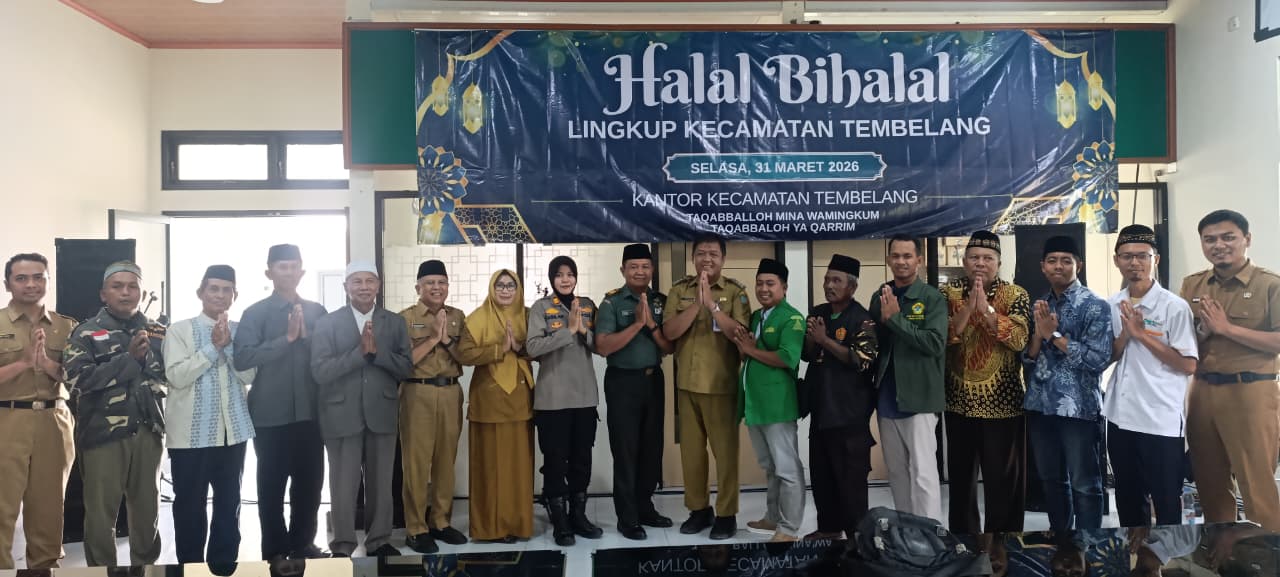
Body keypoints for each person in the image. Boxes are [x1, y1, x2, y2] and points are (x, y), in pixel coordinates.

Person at [1180, 209, 1280, 531]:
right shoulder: (1193, 285)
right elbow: (1182, 340)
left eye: (1228, 237)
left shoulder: (1269, 284)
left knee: (1257, 485)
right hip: (1202, 391)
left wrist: (1227, 329)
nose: (1218, 245)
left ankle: (1266, 552)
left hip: (1250, 392)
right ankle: (1222, 551)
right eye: (1209, 239)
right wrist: (1203, 331)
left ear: (1246, 239)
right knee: (1209, 482)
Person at [63, 261, 167, 567]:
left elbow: (170, 376)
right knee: (101, 515)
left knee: (147, 512)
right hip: (103, 435)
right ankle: (100, 571)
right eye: (117, 286)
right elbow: (77, 380)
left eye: (132, 287)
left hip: (148, 431)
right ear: (103, 294)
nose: (125, 292)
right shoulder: (86, 332)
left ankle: (145, 569)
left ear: (141, 293)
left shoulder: (159, 332)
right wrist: (130, 360)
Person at [233, 244, 330, 561]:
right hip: (270, 415)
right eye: (281, 267)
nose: (288, 272)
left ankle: (303, 544)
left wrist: (306, 337)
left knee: (310, 485)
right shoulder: (255, 313)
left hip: (311, 414)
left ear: (302, 271)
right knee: (271, 487)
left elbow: (328, 353)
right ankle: (275, 549)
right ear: (269, 272)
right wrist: (285, 339)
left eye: (293, 266)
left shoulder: (317, 311)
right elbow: (243, 357)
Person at [310, 261, 412, 558]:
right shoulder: (328, 323)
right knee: (343, 484)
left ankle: (379, 540)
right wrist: (359, 354)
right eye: (357, 281)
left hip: (382, 410)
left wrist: (377, 353)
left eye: (370, 281)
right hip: (341, 413)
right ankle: (343, 544)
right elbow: (320, 371)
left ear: (378, 286)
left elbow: (406, 367)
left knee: (382, 482)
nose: (364, 287)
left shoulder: (394, 322)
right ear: (346, 287)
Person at [1103, 224, 1197, 527]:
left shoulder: (1174, 307)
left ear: (1155, 259)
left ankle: (1169, 554)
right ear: (1116, 260)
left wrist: (1142, 335)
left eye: (1142, 256)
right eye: (1127, 256)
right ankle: (1135, 552)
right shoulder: (1111, 305)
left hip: (1160, 418)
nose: (1134, 263)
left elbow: (1188, 365)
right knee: (1128, 497)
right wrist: (1125, 336)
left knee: (1166, 499)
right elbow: (1108, 357)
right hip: (1120, 415)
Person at [162, 265, 257, 564]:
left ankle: (224, 566)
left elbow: (250, 375)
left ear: (234, 295)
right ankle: (190, 567)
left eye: (226, 290)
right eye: (213, 288)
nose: (219, 295)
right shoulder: (179, 330)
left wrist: (228, 348)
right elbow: (176, 376)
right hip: (190, 436)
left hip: (233, 432)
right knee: (190, 507)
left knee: (229, 505)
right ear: (200, 293)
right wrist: (213, 348)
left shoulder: (241, 331)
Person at [941, 230, 1030, 541]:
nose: (980, 263)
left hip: (1002, 404)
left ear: (999, 263)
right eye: (974, 257)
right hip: (958, 403)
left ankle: (1004, 545)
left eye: (988, 258)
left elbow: (1019, 339)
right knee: (961, 482)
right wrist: (968, 308)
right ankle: (964, 544)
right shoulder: (948, 293)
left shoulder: (1016, 294)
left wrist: (988, 311)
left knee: (1003, 482)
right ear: (964, 261)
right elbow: (942, 338)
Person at [663, 233, 751, 540]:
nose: (707, 259)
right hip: (687, 385)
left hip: (721, 385)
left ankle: (726, 514)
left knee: (726, 456)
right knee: (692, 455)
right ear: (693, 258)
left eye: (713, 254)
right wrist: (696, 305)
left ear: (723, 259)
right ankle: (698, 510)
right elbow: (669, 332)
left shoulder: (735, 292)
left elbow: (741, 335)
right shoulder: (679, 290)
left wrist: (712, 306)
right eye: (701, 253)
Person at [1023, 236, 1113, 531]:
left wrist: (1054, 336)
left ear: (1078, 265)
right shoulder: (1041, 304)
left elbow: (1098, 360)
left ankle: (1089, 543)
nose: (1058, 266)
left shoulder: (1095, 306)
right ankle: (1061, 540)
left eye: (1066, 260)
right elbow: (1029, 359)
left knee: (1084, 484)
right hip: (1040, 406)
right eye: (1052, 261)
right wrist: (1038, 338)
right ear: (1043, 266)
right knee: (1051, 480)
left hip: (1079, 409)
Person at [0, 253, 75, 570]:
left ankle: (44, 569)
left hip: (54, 420)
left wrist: (46, 363)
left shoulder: (67, 326)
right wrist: (23, 363)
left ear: (48, 280)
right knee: (2, 508)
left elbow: (79, 378)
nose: (31, 284)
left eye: (38, 277)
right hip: (7, 420)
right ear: (7, 284)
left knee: (49, 508)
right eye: (21, 278)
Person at [595, 243, 674, 541]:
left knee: (652, 449)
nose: (640, 271)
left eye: (645, 266)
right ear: (623, 270)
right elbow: (603, 346)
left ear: (652, 269)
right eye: (633, 267)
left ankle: (645, 507)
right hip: (622, 383)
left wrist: (651, 325)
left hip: (653, 381)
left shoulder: (661, 301)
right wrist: (638, 323)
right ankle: (627, 518)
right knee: (626, 451)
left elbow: (669, 346)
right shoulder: (612, 302)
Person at [868, 236, 948, 524]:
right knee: (897, 472)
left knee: (923, 473)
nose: (901, 261)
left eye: (907, 256)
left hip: (919, 397)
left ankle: (930, 534)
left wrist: (895, 319)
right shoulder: (880, 296)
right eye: (896, 256)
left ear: (919, 260)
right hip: (887, 398)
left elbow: (935, 344)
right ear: (888, 259)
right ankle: (905, 531)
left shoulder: (931, 298)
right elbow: (873, 344)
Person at [526, 256, 604, 546]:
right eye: (559, 274)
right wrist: (567, 331)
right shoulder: (540, 308)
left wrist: (582, 330)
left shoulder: (587, 306)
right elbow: (532, 347)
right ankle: (560, 520)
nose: (565, 279)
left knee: (582, 459)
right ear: (552, 279)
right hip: (552, 400)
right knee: (555, 462)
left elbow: (600, 346)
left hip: (584, 397)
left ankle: (578, 516)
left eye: (570, 274)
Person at [732, 258, 808, 542]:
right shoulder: (757, 316)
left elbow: (788, 357)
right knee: (771, 466)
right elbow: (749, 352)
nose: (763, 289)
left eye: (770, 284)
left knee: (787, 469)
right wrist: (744, 350)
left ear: (784, 287)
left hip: (778, 405)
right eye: (760, 283)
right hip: (756, 404)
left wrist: (750, 350)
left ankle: (789, 528)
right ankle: (772, 518)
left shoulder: (792, 318)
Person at [457, 269, 535, 543]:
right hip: (488, 400)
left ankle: (518, 524)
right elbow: (463, 353)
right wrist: (498, 349)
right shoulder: (478, 318)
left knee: (518, 467)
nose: (505, 290)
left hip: (521, 399)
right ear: (492, 288)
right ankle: (489, 528)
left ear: (518, 288)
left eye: (510, 285)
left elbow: (540, 348)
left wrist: (519, 346)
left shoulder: (528, 316)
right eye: (499, 285)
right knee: (489, 468)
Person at [804, 254, 879, 540]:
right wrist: (812, 339)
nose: (829, 285)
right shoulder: (818, 312)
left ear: (852, 286)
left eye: (836, 280)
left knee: (850, 483)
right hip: (821, 411)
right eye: (827, 279)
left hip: (849, 415)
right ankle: (828, 529)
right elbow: (807, 355)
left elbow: (862, 360)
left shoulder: (862, 319)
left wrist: (825, 340)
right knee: (821, 477)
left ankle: (858, 538)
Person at [397, 260, 468, 554]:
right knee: (416, 464)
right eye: (429, 283)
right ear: (418, 287)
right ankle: (416, 528)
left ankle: (440, 521)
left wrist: (447, 339)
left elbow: (466, 355)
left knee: (445, 462)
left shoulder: (458, 316)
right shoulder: (405, 318)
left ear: (448, 286)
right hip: (418, 392)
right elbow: (402, 362)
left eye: (441, 282)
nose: (436, 288)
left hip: (451, 391)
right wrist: (433, 338)